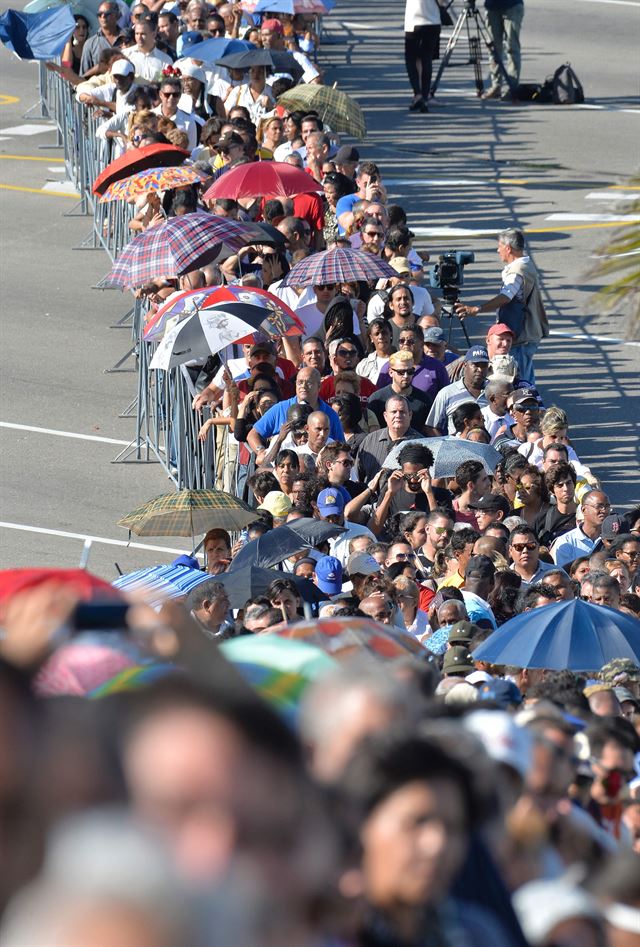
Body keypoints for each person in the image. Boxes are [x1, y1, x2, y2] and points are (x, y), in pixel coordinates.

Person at [455, 230, 548, 384]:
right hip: (527, 334)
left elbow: (506, 297)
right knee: (526, 377)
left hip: (521, 336)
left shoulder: (517, 271)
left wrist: (476, 309)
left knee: (520, 381)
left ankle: (528, 405)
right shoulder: (526, 265)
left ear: (508, 248)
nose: (498, 250)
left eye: (500, 246)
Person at [247, 367, 343, 465]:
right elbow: (253, 434)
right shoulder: (280, 409)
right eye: (300, 382)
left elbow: (341, 447)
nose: (303, 386)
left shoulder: (330, 415)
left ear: (319, 386)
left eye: (309, 382)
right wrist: (260, 450)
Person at [355, 394, 423, 483]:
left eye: (402, 412)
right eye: (394, 412)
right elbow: (358, 476)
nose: (398, 415)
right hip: (373, 496)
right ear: (385, 416)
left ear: (410, 415)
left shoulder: (421, 444)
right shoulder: (369, 441)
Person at [368, 351, 432, 433]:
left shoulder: (424, 399)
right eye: (401, 372)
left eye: (410, 371)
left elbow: (429, 430)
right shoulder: (377, 399)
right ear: (391, 372)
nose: (406, 376)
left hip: (416, 443)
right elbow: (372, 431)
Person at [550, 491, 611, 567]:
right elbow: (561, 574)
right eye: (599, 506)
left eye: (607, 506)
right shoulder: (566, 542)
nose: (604, 510)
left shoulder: (612, 538)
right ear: (584, 510)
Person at [403, 0, 441, 112]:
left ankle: (417, 93)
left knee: (411, 59)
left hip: (413, 21)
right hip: (433, 21)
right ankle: (425, 96)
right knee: (427, 59)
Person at [482, 0, 525, 100]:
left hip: (512, 6)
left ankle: (512, 87)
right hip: (492, 7)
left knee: (512, 48)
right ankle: (496, 86)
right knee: (493, 49)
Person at [80, 2, 127, 76]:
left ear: (117, 16)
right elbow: (84, 76)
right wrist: (97, 69)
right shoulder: (90, 44)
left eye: (107, 13)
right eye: (99, 14)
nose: (103, 16)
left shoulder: (127, 38)